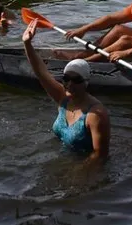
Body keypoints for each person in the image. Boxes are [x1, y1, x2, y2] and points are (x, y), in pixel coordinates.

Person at [23, 18, 110, 162]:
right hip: (64, 157)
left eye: (76, 80)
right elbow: (41, 72)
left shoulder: (96, 115)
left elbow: (100, 156)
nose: (70, 84)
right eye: (66, 78)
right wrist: (27, 43)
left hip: (85, 167)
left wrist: (74, 174)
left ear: (86, 82)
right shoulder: (62, 98)